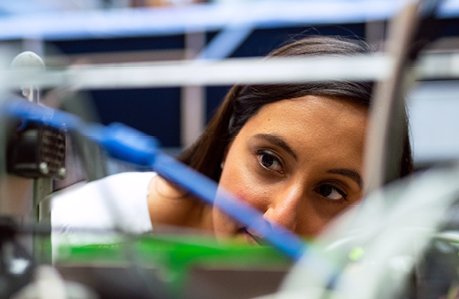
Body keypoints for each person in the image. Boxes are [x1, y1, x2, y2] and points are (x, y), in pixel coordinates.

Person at [51, 35, 413, 251]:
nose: (279, 221)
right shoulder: (75, 230)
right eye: (269, 161)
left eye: (331, 191)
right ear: (227, 141)